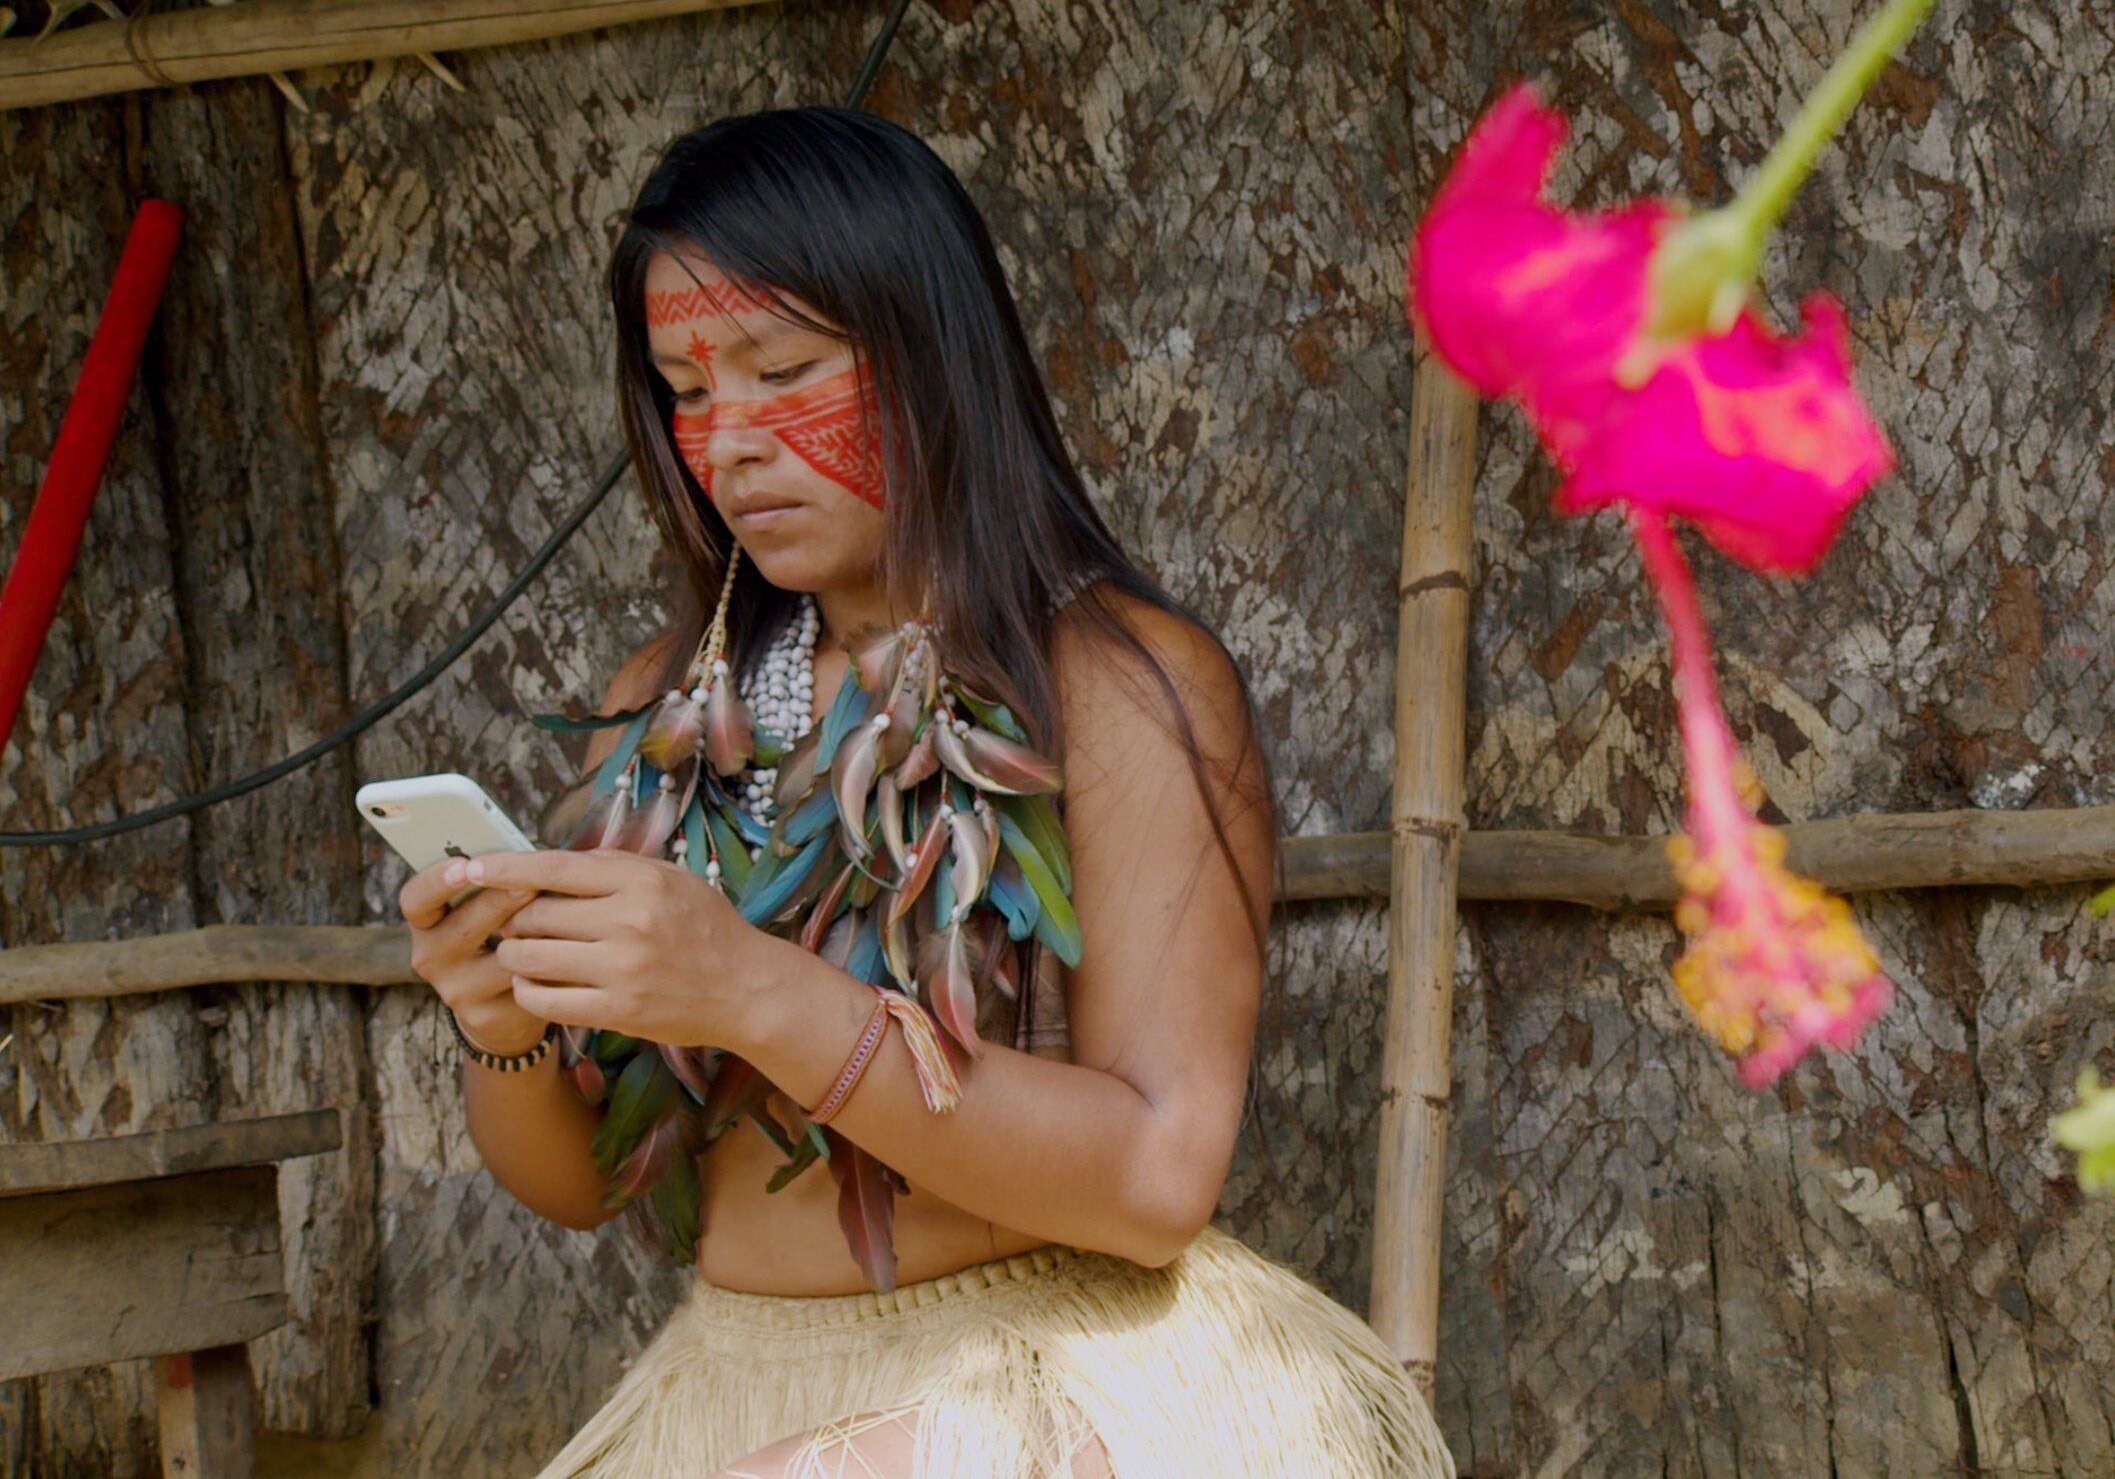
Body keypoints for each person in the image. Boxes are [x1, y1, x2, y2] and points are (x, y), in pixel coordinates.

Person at [392, 105, 1456, 1479]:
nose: (732, 443)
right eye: (689, 389)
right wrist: (501, 1026)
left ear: (931, 356)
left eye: (782, 370)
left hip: (1039, 1391)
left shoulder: (1122, 688)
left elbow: (1155, 1175)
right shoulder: (663, 702)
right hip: (739, 1390)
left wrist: (751, 994)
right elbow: (590, 1183)